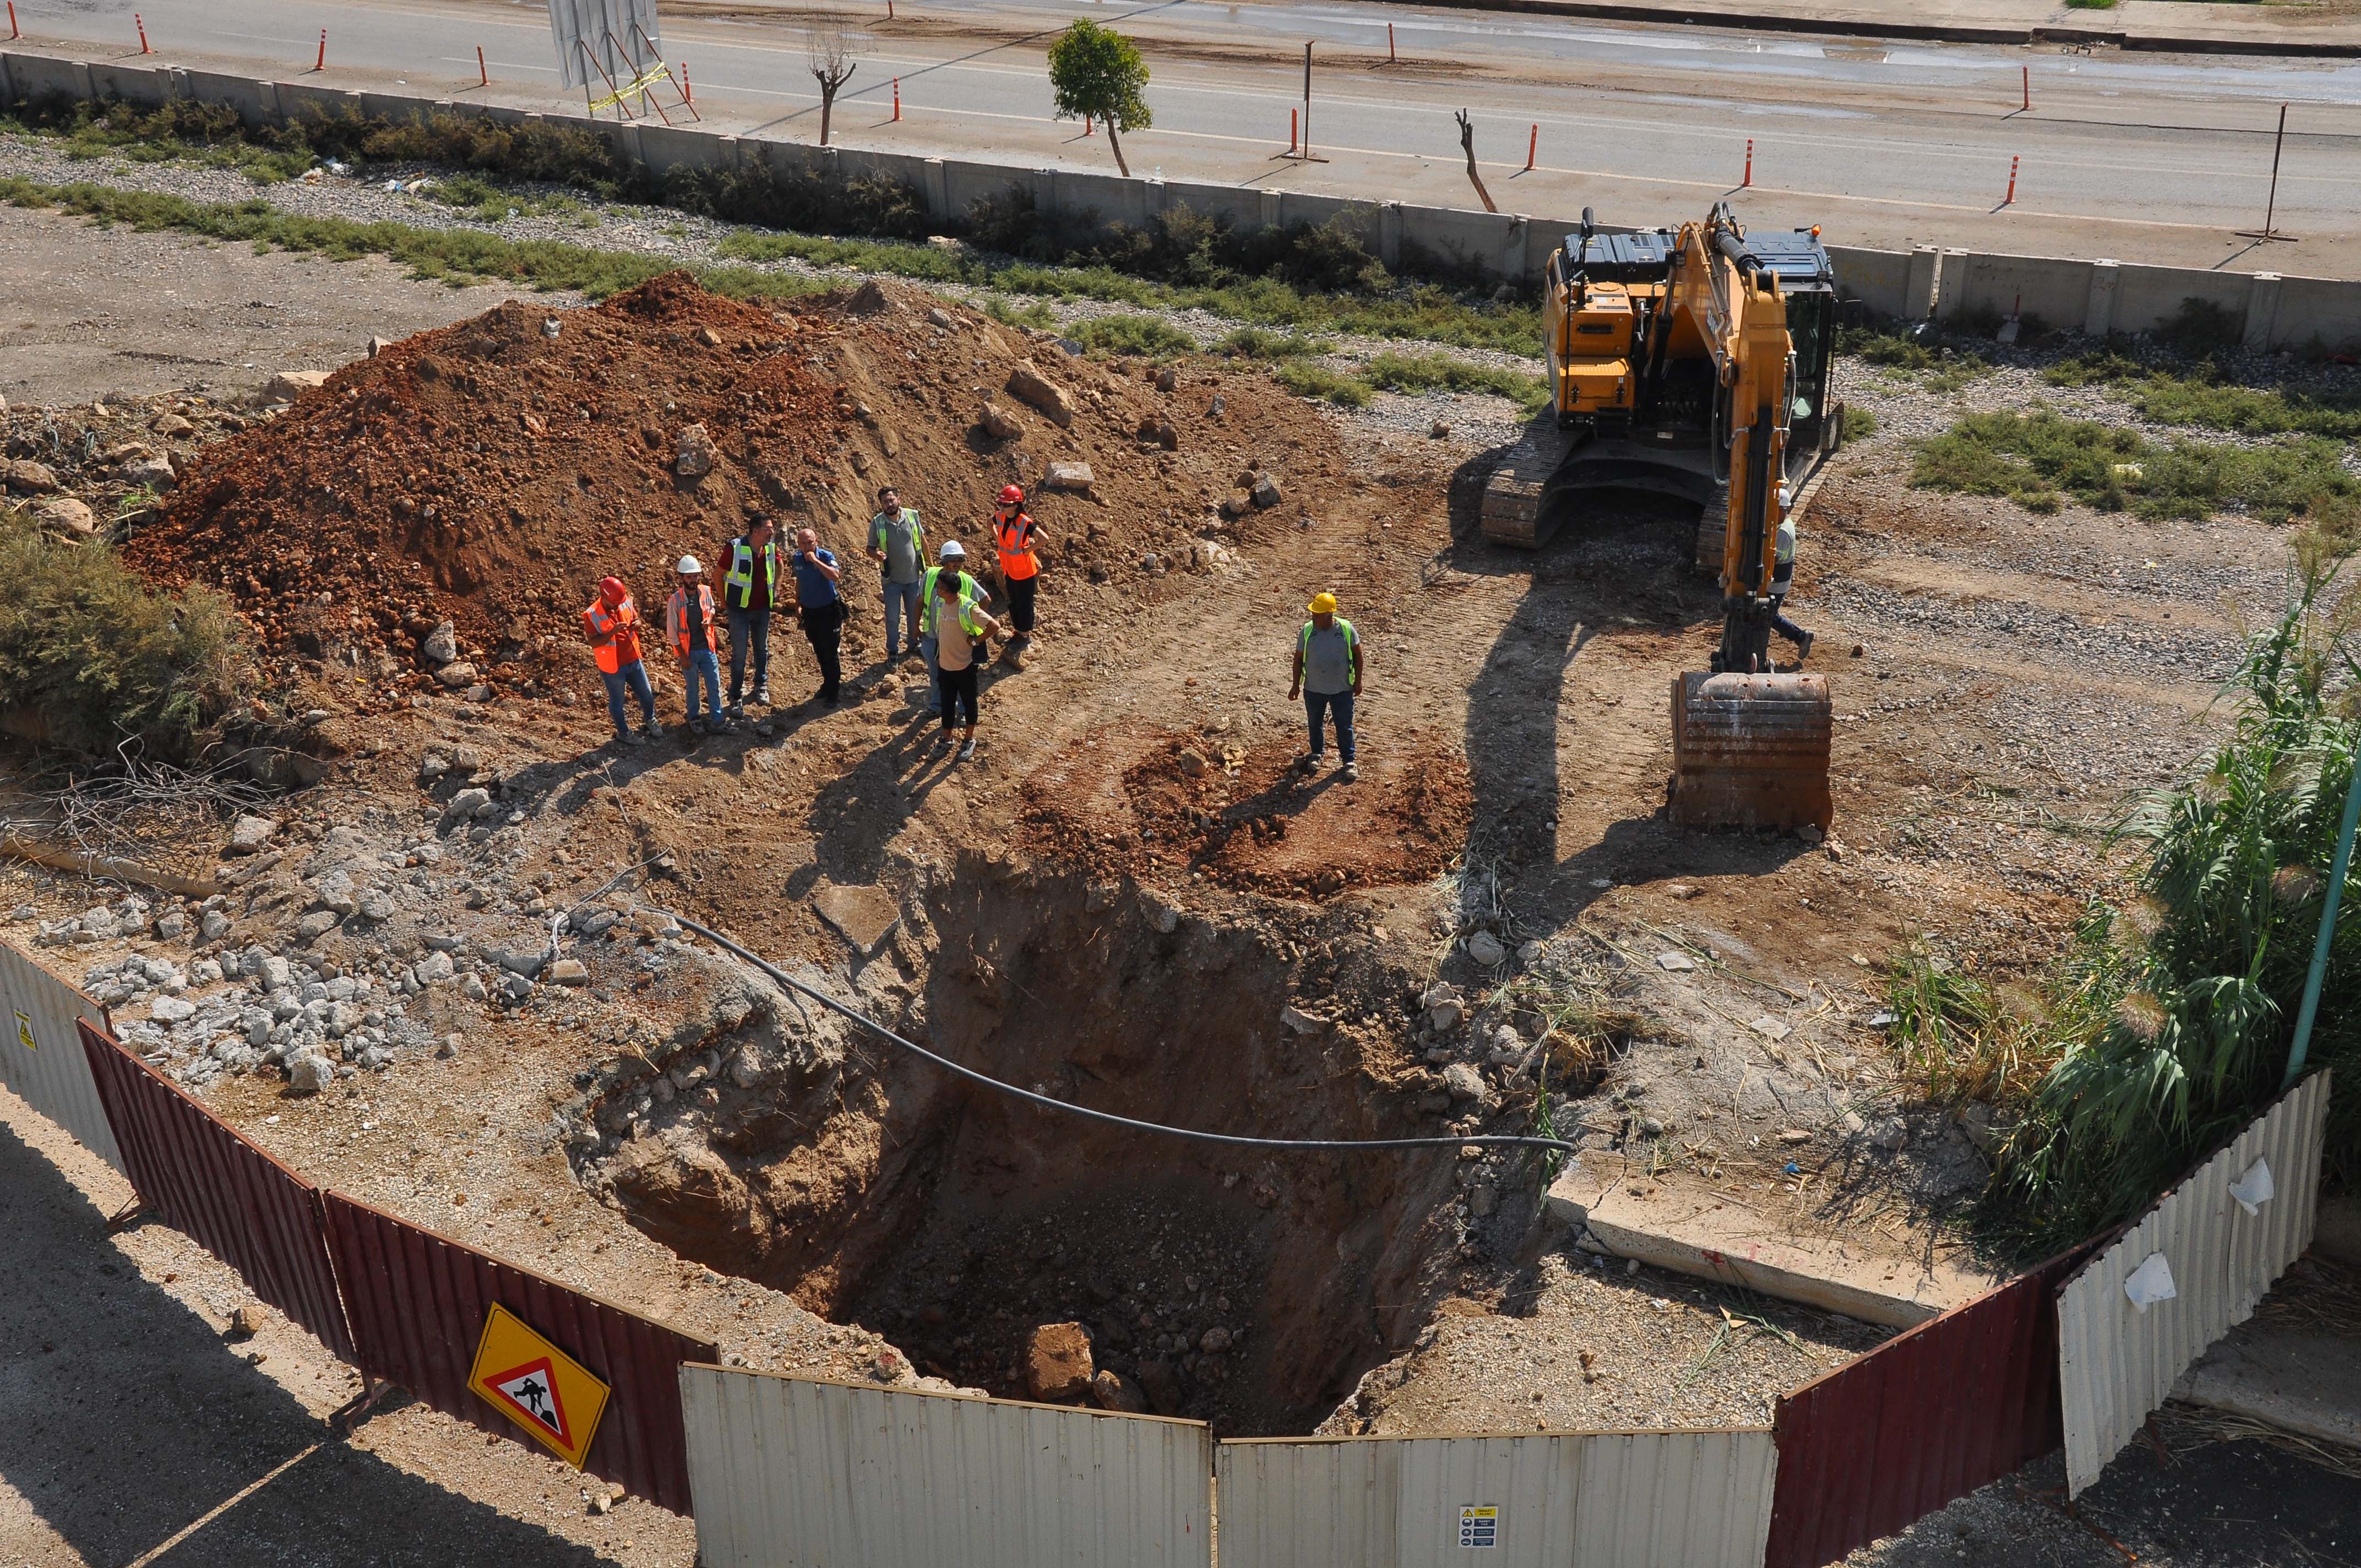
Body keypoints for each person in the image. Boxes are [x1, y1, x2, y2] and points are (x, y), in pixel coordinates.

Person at [1288, 591, 1363, 783]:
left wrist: (1358, 681)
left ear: (1329, 615)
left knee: (1344, 725)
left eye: (1317, 615)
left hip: (1342, 689)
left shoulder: (1346, 629)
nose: (1313, 617)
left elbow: (1358, 656)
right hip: (1313, 688)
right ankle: (1317, 754)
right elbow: (1298, 659)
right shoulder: (1307, 631)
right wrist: (1295, 685)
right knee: (1315, 723)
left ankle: (1349, 761)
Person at [932, 567, 1003, 761]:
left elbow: (994, 626)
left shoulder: (968, 607)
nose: (937, 590)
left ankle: (968, 739)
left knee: (969, 702)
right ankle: (946, 739)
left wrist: (976, 640)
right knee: (947, 704)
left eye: (939, 587)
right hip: (945, 666)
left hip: (965, 666)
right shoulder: (941, 603)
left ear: (947, 591)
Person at [582, 576, 659, 748]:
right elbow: (593, 642)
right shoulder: (592, 614)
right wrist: (613, 632)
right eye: (614, 603)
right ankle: (624, 734)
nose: (618, 606)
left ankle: (650, 719)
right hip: (613, 667)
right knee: (617, 701)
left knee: (646, 693)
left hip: (634, 660)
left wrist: (636, 624)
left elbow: (638, 619)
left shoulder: (624, 602)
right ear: (604, 597)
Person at [917, 540, 992, 716]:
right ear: (944, 561)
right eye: (953, 559)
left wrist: (971, 621)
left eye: (961, 559)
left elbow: (985, 600)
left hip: (955, 639)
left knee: (961, 677)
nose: (957, 563)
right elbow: (919, 601)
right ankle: (938, 705)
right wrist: (915, 628)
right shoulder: (930, 576)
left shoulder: (965, 580)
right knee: (936, 675)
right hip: (932, 635)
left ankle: (964, 711)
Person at [665, 555, 732, 736]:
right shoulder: (675, 601)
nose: (693, 580)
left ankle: (717, 721)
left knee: (714, 685)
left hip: (707, 649)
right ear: (681, 578)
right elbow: (672, 633)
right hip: (689, 652)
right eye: (689, 577)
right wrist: (683, 657)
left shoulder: (705, 591)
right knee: (693, 687)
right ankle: (694, 718)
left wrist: (709, 618)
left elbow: (711, 608)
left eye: (695, 576)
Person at [721, 515, 781, 717]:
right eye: (768, 528)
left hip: (762, 608)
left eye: (772, 528)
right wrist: (723, 602)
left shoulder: (770, 549)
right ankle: (736, 696)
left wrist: (778, 589)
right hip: (738, 610)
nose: (772, 532)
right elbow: (718, 574)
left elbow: (779, 567)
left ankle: (760, 686)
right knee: (740, 654)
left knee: (761, 649)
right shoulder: (736, 548)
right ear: (755, 530)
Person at [866, 486, 927, 662]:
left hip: (914, 578)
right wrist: (876, 554)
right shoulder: (878, 523)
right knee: (893, 617)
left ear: (898, 498)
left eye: (892, 500)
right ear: (881, 505)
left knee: (913, 613)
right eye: (886, 502)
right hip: (891, 580)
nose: (890, 504)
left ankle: (913, 643)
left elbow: (923, 541)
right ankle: (893, 650)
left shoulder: (912, 516)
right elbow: (869, 548)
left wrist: (929, 566)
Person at [791, 526, 846, 706]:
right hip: (810, 612)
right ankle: (827, 684)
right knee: (819, 651)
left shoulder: (826, 557)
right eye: (803, 543)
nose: (807, 546)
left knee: (830, 652)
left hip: (828, 610)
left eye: (810, 543)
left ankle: (834, 691)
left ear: (817, 542)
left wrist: (816, 561)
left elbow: (835, 576)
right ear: (798, 544)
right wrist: (797, 604)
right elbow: (800, 581)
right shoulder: (797, 559)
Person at [991, 483, 1042, 659]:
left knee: (1024, 604)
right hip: (1009, 570)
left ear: (1015, 505)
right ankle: (1018, 632)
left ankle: (1025, 636)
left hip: (1025, 572)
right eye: (1001, 504)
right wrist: (998, 539)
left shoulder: (1025, 523)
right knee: (1013, 603)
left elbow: (1044, 538)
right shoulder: (1000, 517)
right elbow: (989, 524)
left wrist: (1028, 550)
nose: (1002, 508)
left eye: (1006, 505)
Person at [1769, 514, 1814, 666]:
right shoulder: (1784, 524)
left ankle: (1801, 637)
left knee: (1768, 615)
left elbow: (1773, 561)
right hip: (1779, 580)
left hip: (1777, 582)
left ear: (1783, 509)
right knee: (1768, 615)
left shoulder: (1783, 532)